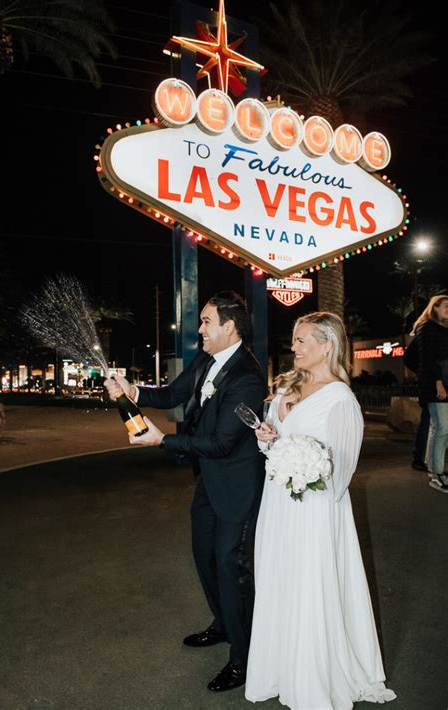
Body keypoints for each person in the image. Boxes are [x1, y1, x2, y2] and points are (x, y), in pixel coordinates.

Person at [104, 291, 267, 693]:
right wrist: (133, 391)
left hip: (237, 488)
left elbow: (223, 443)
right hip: (210, 482)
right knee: (204, 555)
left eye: (207, 322)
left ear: (229, 327)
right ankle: (223, 623)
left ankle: (244, 661)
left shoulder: (247, 376)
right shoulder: (208, 359)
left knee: (232, 571)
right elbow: (174, 394)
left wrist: (162, 441)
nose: (200, 329)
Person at [245, 312, 396, 709]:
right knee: (278, 577)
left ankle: (312, 676)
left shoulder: (340, 400)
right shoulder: (287, 386)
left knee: (310, 583)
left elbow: (342, 470)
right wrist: (269, 439)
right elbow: (273, 445)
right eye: (293, 340)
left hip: (314, 509)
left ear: (326, 345)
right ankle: (279, 667)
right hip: (278, 502)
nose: (293, 347)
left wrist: (305, 470)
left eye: (301, 340)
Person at [412, 295, 448, 493]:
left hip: (442, 383)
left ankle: (433, 469)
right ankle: (436, 473)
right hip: (436, 385)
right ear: (434, 308)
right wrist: (435, 381)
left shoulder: (443, 328)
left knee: (438, 428)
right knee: (442, 428)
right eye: (445, 305)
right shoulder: (427, 327)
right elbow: (426, 357)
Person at [402, 332, 430, 471]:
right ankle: (419, 457)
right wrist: (422, 372)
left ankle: (421, 457)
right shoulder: (428, 331)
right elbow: (408, 357)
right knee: (429, 420)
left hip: (433, 382)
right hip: (433, 385)